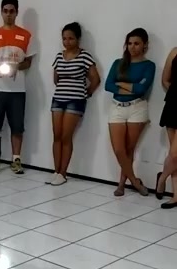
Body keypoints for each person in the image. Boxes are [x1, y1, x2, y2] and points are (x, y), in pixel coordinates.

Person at [105, 28, 155, 197]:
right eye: (130, 43)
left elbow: (141, 89)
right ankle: (134, 181)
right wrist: (130, 87)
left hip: (137, 108)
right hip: (117, 107)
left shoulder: (149, 65)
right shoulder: (118, 63)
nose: (132, 47)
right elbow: (108, 85)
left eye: (137, 43)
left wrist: (120, 83)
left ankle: (121, 185)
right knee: (119, 150)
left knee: (129, 149)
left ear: (145, 45)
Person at [49, 22, 100, 186]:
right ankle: (56, 171)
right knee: (56, 135)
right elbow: (56, 78)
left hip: (75, 100)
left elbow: (95, 79)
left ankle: (63, 173)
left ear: (78, 39)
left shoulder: (85, 56)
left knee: (66, 136)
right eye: (64, 38)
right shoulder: (59, 56)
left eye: (71, 38)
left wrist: (87, 93)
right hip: (58, 98)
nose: (67, 42)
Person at [0, 0, 33, 175]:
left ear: (16, 12)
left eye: (11, 11)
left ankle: (16, 160)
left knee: (17, 127)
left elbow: (28, 62)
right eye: (5, 11)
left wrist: (16, 66)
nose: (8, 14)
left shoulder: (26, 36)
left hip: (17, 90)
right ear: (1, 12)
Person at [156, 47, 177, 209]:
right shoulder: (175, 51)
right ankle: (176, 196)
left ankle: (162, 178)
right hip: (174, 103)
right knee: (174, 155)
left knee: (175, 154)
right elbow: (165, 79)